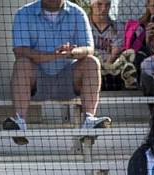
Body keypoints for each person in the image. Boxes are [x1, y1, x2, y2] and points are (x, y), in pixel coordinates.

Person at [6, 0, 111, 143]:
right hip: (37, 82)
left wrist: (72, 52)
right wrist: (54, 55)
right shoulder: (23, 13)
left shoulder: (78, 13)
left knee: (92, 62)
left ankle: (89, 120)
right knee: (22, 63)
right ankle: (20, 122)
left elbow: (88, 48)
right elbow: (19, 51)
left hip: (68, 80)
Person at [89, 0, 135, 90]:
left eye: (107, 5)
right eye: (99, 4)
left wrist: (106, 67)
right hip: (90, 68)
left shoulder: (118, 27)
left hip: (111, 70)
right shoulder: (84, 25)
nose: (104, 8)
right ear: (92, 5)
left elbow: (115, 53)